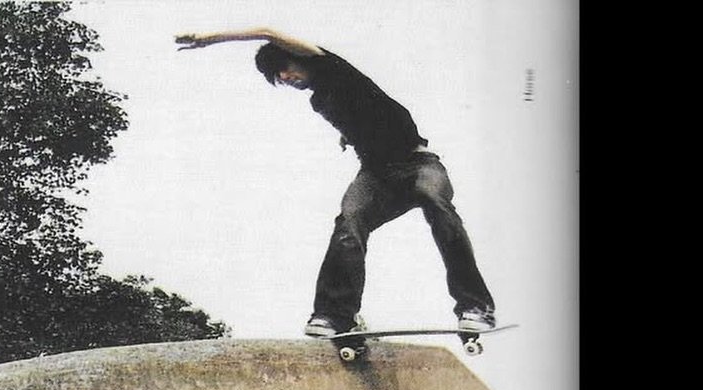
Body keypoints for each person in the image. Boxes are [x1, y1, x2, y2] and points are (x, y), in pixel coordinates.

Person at [175, 24, 496, 338]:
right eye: (279, 77)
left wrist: (208, 39)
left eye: (285, 67)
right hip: (376, 175)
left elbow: (267, 32)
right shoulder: (319, 101)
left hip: (419, 165)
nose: (285, 77)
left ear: (299, 57)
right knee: (349, 223)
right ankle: (334, 316)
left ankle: (476, 306)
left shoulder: (331, 66)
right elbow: (361, 117)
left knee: (436, 203)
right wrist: (348, 136)